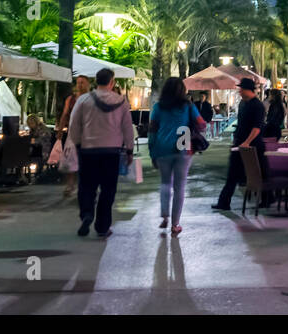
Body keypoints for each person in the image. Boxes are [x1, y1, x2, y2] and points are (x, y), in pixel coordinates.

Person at [68, 67, 136, 238]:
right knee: (108, 189)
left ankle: (87, 214)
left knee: (86, 186)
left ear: (96, 81)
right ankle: (102, 226)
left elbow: (74, 125)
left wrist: (76, 144)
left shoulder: (83, 100)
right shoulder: (121, 101)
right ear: (112, 82)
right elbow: (128, 128)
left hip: (88, 151)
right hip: (111, 152)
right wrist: (129, 149)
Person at [149, 76, 205, 236]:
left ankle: (165, 215)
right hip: (183, 147)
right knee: (179, 187)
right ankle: (175, 224)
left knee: (165, 183)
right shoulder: (188, 106)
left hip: (162, 147)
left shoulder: (158, 107)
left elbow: (152, 130)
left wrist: (152, 151)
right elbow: (201, 124)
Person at [213, 79, 266, 210]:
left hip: (252, 146)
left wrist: (247, 142)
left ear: (248, 89)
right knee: (233, 173)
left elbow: (257, 127)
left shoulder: (257, 106)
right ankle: (224, 202)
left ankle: (267, 198)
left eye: (241, 89)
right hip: (239, 144)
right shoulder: (243, 104)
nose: (239, 91)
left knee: (259, 173)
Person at [58, 75, 91, 198]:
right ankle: (70, 185)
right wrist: (60, 130)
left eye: (82, 82)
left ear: (88, 84)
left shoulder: (92, 98)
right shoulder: (70, 99)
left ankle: (85, 185)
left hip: (88, 134)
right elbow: (65, 114)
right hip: (72, 133)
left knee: (87, 161)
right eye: (78, 82)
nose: (80, 85)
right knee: (70, 159)